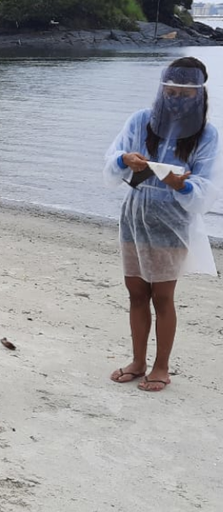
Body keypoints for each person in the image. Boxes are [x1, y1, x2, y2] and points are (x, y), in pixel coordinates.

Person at [103, 57, 221, 392]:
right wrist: (124, 160)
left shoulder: (206, 135)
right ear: (161, 89)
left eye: (183, 95)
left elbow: (207, 186)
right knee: (136, 292)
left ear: (197, 96)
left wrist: (182, 184)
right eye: (169, 92)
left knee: (162, 297)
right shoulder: (142, 121)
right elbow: (112, 159)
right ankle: (138, 361)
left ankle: (161, 366)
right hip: (134, 216)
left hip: (172, 222)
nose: (175, 99)